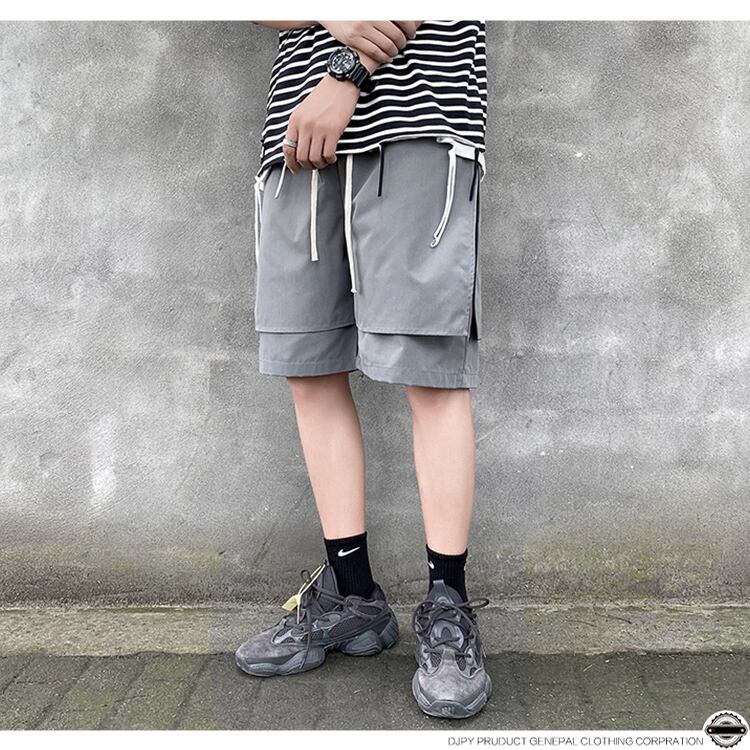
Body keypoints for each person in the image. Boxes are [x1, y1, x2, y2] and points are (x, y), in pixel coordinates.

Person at [236, 20, 491, 719]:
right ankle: (354, 599)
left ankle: (448, 607)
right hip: (297, 140)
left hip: (418, 119)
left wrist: (347, 69)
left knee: (430, 371)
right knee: (310, 366)